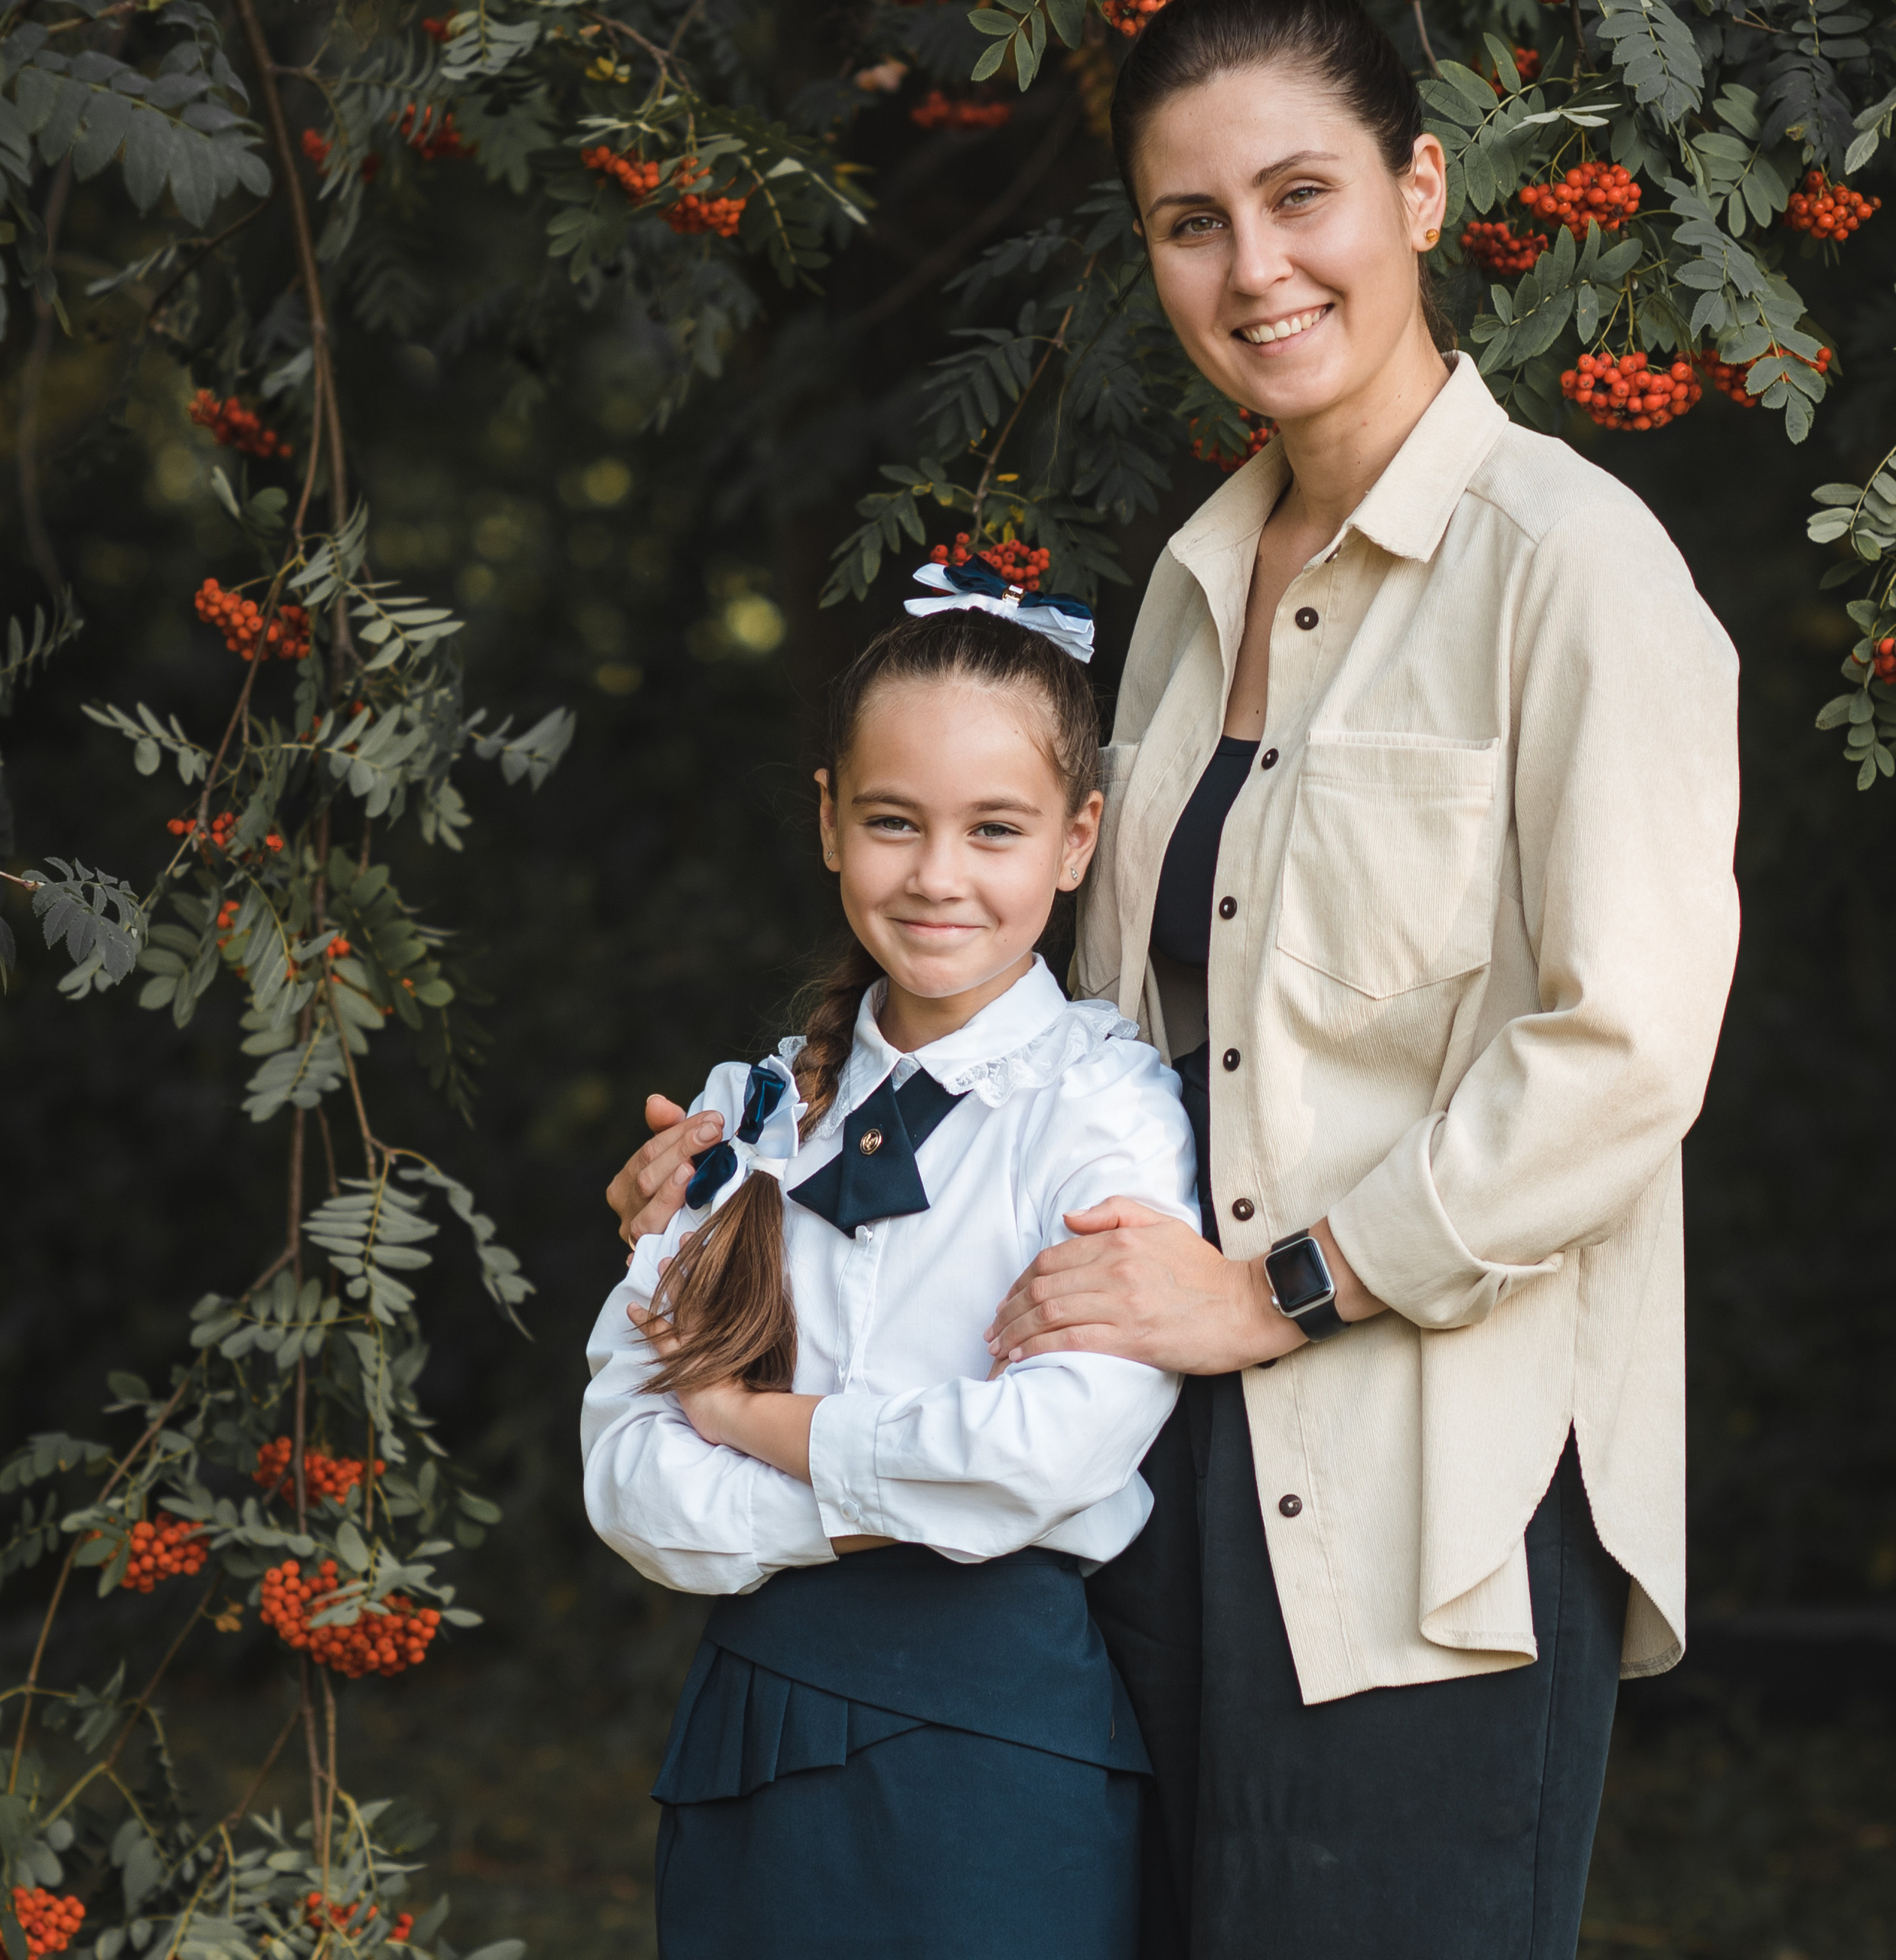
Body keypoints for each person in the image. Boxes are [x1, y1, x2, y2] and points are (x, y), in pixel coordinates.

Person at [608, 1, 1742, 1952]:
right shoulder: (1192, 587)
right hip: (1149, 1504)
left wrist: (1271, 1287)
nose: (1252, 267)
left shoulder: (1571, 565)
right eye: (1187, 221)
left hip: (1420, 1506)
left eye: (1300, 196)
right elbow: (1059, 1037)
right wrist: (757, 1165)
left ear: (1419, 187)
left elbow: (1620, 1055)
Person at [581, 593, 1201, 1960]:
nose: (938, 877)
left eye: (995, 829)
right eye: (892, 822)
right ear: (826, 821)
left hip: (998, 1750)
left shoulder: (1102, 1110)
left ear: (1078, 837)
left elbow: (1056, 1448)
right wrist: (892, 1499)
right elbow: (626, 1472)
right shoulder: (741, 1112)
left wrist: (759, 1429)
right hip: (748, 1736)